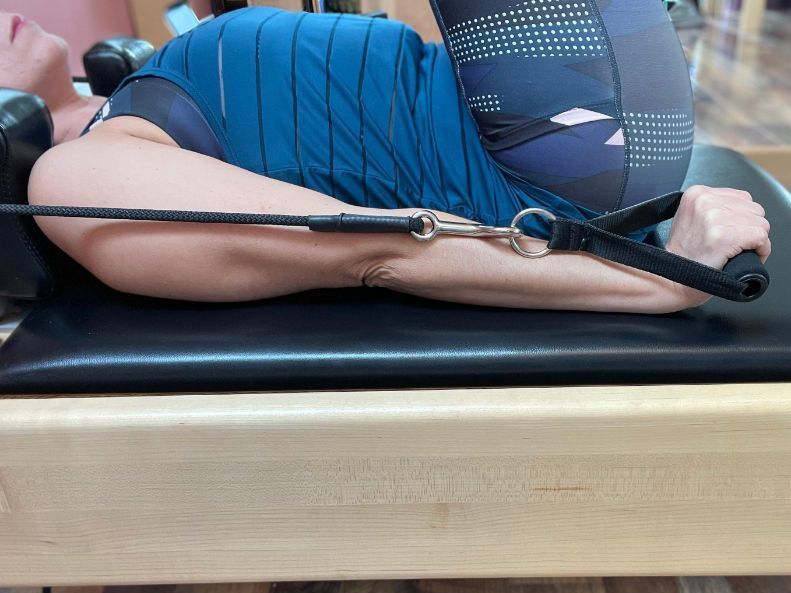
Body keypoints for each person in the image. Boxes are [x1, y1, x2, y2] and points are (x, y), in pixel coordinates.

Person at [0, 4, 771, 314]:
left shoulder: (121, 85)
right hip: (554, 146)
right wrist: (665, 283)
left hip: (540, 102)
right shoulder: (69, 178)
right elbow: (378, 248)